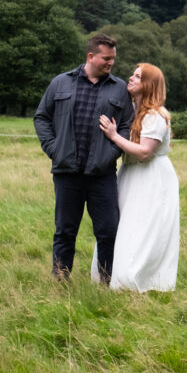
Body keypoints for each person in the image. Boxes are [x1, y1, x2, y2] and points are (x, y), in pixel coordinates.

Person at [33, 33, 135, 283]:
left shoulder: (120, 88)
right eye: (106, 58)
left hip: (102, 175)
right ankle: (60, 280)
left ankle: (106, 281)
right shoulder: (60, 83)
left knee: (108, 231)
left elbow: (126, 125)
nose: (111, 63)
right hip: (66, 172)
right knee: (65, 231)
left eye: (113, 59)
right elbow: (42, 118)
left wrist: (112, 153)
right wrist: (53, 149)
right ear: (91, 56)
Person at [96, 62, 180, 292]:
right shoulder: (130, 110)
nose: (130, 79)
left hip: (151, 178)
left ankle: (138, 279)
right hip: (129, 174)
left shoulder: (155, 116)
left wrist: (113, 136)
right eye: (132, 75)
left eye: (137, 76)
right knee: (122, 225)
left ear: (148, 85)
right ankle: (114, 276)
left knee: (143, 227)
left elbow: (144, 152)